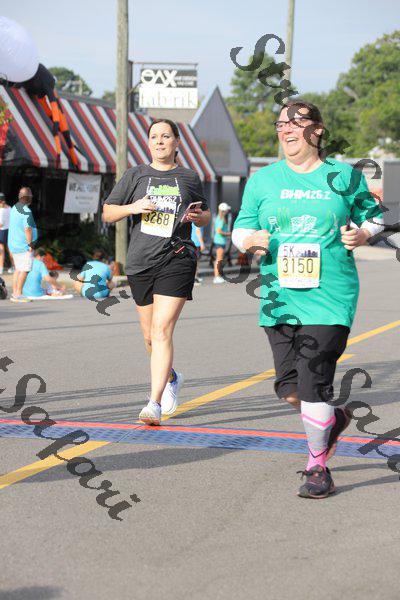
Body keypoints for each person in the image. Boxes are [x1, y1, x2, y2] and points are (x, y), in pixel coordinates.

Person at [232, 100, 384, 499]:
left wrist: (363, 233)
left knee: (314, 381)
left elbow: (375, 216)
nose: (285, 130)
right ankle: (333, 420)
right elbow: (241, 228)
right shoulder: (263, 181)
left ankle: (317, 467)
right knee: (289, 388)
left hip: (329, 295)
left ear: (317, 130)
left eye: (295, 123)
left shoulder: (343, 176)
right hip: (278, 298)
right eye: (281, 123)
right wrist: (249, 240)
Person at [103, 118, 211, 425]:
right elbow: (108, 212)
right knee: (150, 336)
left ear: (177, 142)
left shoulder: (188, 177)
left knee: (162, 331)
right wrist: (133, 208)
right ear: (148, 142)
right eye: (154, 136)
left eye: (165, 136)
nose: (160, 141)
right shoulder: (135, 175)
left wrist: (198, 218)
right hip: (140, 262)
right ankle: (172, 377)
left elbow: (205, 215)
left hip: (177, 258)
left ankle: (154, 404)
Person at [8, 187, 37, 302]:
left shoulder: (14, 208)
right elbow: (27, 229)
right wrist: (30, 245)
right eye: (31, 196)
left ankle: (15, 293)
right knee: (25, 269)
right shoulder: (26, 211)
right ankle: (18, 294)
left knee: (18, 269)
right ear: (28, 197)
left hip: (14, 244)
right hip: (23, 245)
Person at [213, 202, 231, 284]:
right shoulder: (220, 219)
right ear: (224, 210)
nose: (227, 211)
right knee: (218, 259)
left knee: (220, 259)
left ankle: (218, 276)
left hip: (220, 241)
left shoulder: (221, 218)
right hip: (219, 241)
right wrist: (228, 234)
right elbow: (219, 231)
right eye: (226, 210)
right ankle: (216, 277)